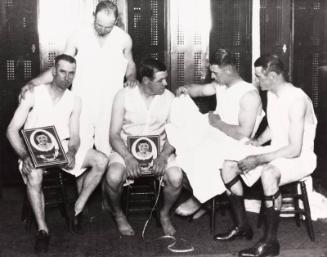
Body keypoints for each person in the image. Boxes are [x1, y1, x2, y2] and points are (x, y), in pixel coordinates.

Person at [216, 54, 317, 257]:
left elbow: (294, 149)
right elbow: (275, 125)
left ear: (272, 75)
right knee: (228, 165)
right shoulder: (272, 93)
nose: (256, 81)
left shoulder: (297, 99)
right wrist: (257, 143)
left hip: (299, 158)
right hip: (278, 151)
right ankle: (242, 226)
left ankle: (270, 243)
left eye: (259, 76)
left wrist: (258, 159)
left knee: (268, 173)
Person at [6, 54, 108, 253]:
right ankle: (43, 229)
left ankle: (77, 207)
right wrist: (24, 155)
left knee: (101, 160)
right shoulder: (34, 94)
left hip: (61, 149)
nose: (66, 77)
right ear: (53, 72)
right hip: (33, 151)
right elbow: (11, 129)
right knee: (35, 175)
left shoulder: (75, 100)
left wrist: (71, 150)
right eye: (62, 72)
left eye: (71, 73)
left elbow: (76, 136)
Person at [21, 1, 137, 158]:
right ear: (93, 16)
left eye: (108, 27)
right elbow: (62, 67)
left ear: (116, 22)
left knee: (109, 154)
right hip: (83, 102)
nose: (102, 30)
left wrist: (131, 77)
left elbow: (130, 64)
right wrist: (33, 82)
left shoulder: (124, 39)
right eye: (99, 25)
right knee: (81, 152)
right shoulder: (78, 36)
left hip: (110, 104)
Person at [171, 49, 263, 216]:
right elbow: (200, 90)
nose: (212, 76)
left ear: (228, 69)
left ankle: (200, 198)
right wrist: (185, 89)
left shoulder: (248, 94)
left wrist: (217, 123)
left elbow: (244, 133)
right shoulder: (221, 85)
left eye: (215, 72)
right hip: (218, 135)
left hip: (238, 143)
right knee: (183, 139)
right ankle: (204, 196)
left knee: (200, 151)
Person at [102, 58, 183, 236]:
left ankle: (164, 214)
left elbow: (175, 135)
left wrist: (163, 156)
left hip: (160, 151)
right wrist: (128, 158)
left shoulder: (169, 98)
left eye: (165, 78)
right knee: (113, 177)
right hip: (125, 150)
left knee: (176, 178)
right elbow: (114, 135)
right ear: (146, 81)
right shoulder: (123, 95)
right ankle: (118, 214)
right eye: (160, 80)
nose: (166, 83)